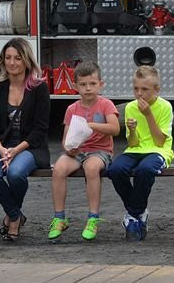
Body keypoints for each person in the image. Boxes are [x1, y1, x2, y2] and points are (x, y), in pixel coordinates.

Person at [0, 37, 50, 242]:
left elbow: (40, 129)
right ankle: (14, 215)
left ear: (26, 60)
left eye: (17, 58)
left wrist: (15, 151)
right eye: (8, 58)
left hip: (30, 146)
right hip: (1, 146)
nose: (12, 63)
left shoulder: (39, 88)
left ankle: (12, 219)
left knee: (16, 173)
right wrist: (1, 149)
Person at [48, 61, 120, 241]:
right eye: (83, 84)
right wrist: (69, 149)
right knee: (58, 169)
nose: (88, 88)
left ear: (100, 84)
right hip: (78, 151)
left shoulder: (106, 105)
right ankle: (59, 217)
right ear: (75, 86)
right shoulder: (72, 109)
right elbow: (65, 140)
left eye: (92, 84)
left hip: (100, 151)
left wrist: (93, 126)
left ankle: (93, 218)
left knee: (91, 168)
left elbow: (115, 129)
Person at [106, 65, 174, 242]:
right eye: (136, 89)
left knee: (145, 170)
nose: (139, 94)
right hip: (135, 150)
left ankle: (132, 216)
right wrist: (133, 130)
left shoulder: (165, 107)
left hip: (159, 151)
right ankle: (139, 213)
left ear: (156, 90)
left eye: (144, 89)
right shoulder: (130, 107)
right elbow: (133, 143)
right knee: (114, 169)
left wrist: (149, 115)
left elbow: (160, 141)